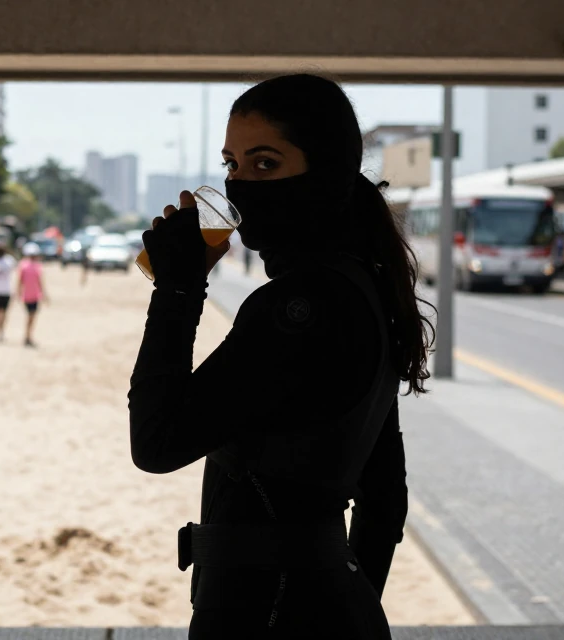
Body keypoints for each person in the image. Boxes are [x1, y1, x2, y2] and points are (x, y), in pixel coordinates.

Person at [129, 74, 434, 638]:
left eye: (265, 164)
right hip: (328, 606)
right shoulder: (361, 287)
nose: (241, 184)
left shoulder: (297, 307)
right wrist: (347, 600)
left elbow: (155, 442)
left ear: (326, 173)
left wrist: (177, 290)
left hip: (264, 613)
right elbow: (384, 497)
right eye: (232, 165)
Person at [17, 242, 48, 348]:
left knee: (31, 316)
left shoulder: (26, 265)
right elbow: (20, 281)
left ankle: (28, 335)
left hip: (33, 295)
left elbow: (39, 281)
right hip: (29, 295)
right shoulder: (27, 265)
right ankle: (27, 336)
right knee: (31, 316)